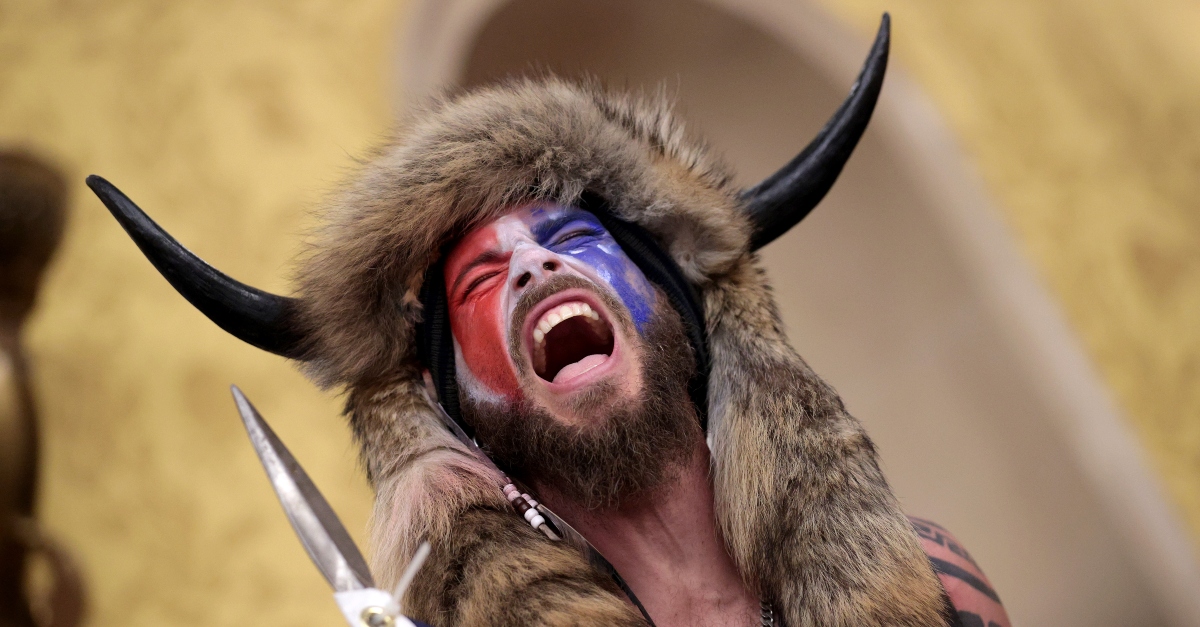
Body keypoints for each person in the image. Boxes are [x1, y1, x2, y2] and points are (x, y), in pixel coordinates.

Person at [92, 15, 1010, 627]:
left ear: (681, 307)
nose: (535, 264)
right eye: (482, 278)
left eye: (571, 236)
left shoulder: (939, 587)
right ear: (459, 408)